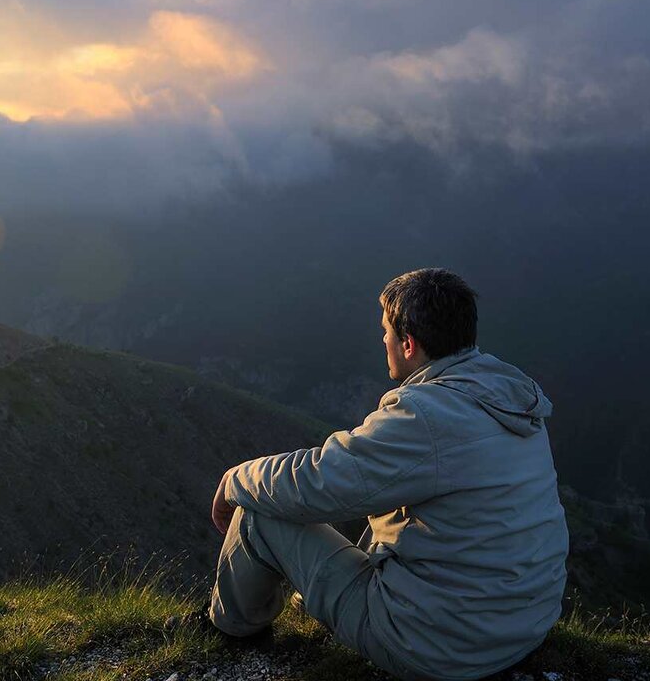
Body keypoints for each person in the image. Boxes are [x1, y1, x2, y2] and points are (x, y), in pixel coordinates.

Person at [200, 268, 569, 680]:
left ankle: (230, 632)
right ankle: (320, 599)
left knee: (258, 514)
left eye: (386, 332)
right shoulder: (508, 397)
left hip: (437, 647)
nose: (383, 341)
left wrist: (236, 479)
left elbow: (318, 482)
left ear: (408, 344)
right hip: (520, 628)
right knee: (388, 504)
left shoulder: (424, 415)